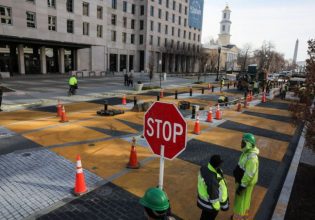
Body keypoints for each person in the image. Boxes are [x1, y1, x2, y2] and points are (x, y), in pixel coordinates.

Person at [232, 133, 260, 220]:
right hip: (241, 181)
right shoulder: (246, 152)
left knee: (241, 202)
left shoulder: (252, 158)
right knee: (242, 201)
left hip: (244, 184)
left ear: (249, 144)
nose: (241, 145)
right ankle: (240, 216)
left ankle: (239, 218)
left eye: (243, 143)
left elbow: (249, 174)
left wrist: (242, 186)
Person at [197, 155, 229, 220]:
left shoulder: (204, 168)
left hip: (204, 200)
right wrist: (217, 208)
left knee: (204, 216)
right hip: (211, 205)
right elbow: (214, 196)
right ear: (218, 165)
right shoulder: (213, 179)